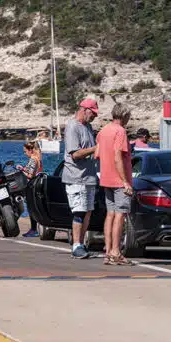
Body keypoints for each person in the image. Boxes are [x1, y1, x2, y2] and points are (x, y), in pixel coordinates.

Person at [97, 103, 134, 265]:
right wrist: (125, 181)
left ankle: (108, 250)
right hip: (118, 180)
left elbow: (97, 154)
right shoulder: (120, 132)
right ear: (124, 115)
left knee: (110, 213)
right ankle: (116, 251)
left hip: (105, 178)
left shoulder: (103, 131)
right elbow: (118, 157)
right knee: (120, 214)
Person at [62, 98, 100, 259]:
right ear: (84, 110)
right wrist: (95, 148)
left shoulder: (88, 127)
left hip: (89, 177)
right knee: (79, 211)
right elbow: (75, 154)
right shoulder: (72, 127)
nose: (94, 117)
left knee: (88, 212)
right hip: (76, 177)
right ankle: (76, 244)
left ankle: (81, 243)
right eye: (93, 113)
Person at [20, 140, 43, 238]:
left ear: (31, 150)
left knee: (31, 208)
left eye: (25, 151)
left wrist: (21, 171)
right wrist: (24, 168)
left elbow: (30, 175)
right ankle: (34, 229)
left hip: (31, 186)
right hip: (34, 185)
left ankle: (34, 229)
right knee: (32, 208)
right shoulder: (37, 159)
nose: (25, 153)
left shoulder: (33, 159)